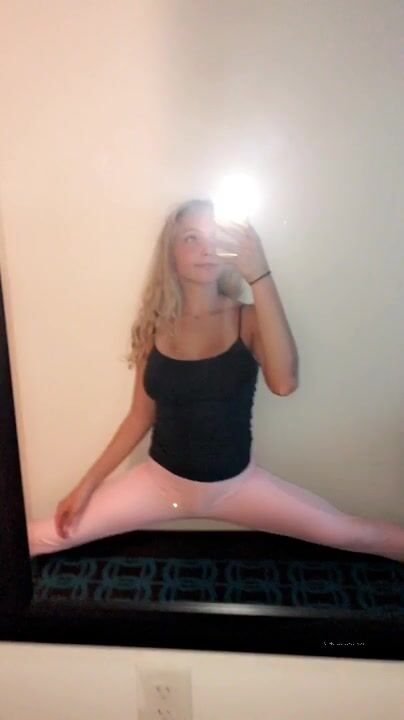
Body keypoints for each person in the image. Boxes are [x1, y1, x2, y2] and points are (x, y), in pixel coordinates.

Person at [28, 198, 404, 562]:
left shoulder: (247, 318)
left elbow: (284, 383)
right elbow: (140, 416)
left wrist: (259, 274)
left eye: (215, 237)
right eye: (191, 238)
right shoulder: (155, 325)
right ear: (171, 253)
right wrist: (86, 486)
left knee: (349, 533)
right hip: (159, 484)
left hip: (237, 488)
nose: (206, 249)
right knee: (40, 536)